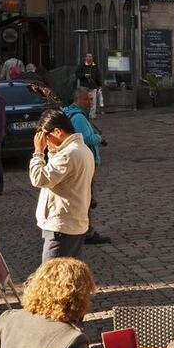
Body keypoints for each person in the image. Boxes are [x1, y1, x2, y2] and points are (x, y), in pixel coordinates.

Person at [29, 108, 95, 263]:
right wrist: (52, 150)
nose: (43, 140)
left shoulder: (68, 155)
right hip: (72, 223)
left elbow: (39, 178)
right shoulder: (81, 149)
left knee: (52, 279)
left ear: (57, 132)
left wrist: (38, 153)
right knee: (67, 276)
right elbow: (58, 174)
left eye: (45, 135)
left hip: (62, 226)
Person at [64, 88, 110, 246]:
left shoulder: (76, 114)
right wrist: (99, 137)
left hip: (82, 161)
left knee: (85, 197)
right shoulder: (78, 117)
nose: (90, 103)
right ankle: (86, 231)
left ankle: (81, 229)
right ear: (77, 100)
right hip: (85, 162)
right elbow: (85, 138)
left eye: (91, 99)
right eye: (86, 100)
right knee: (85, 198)